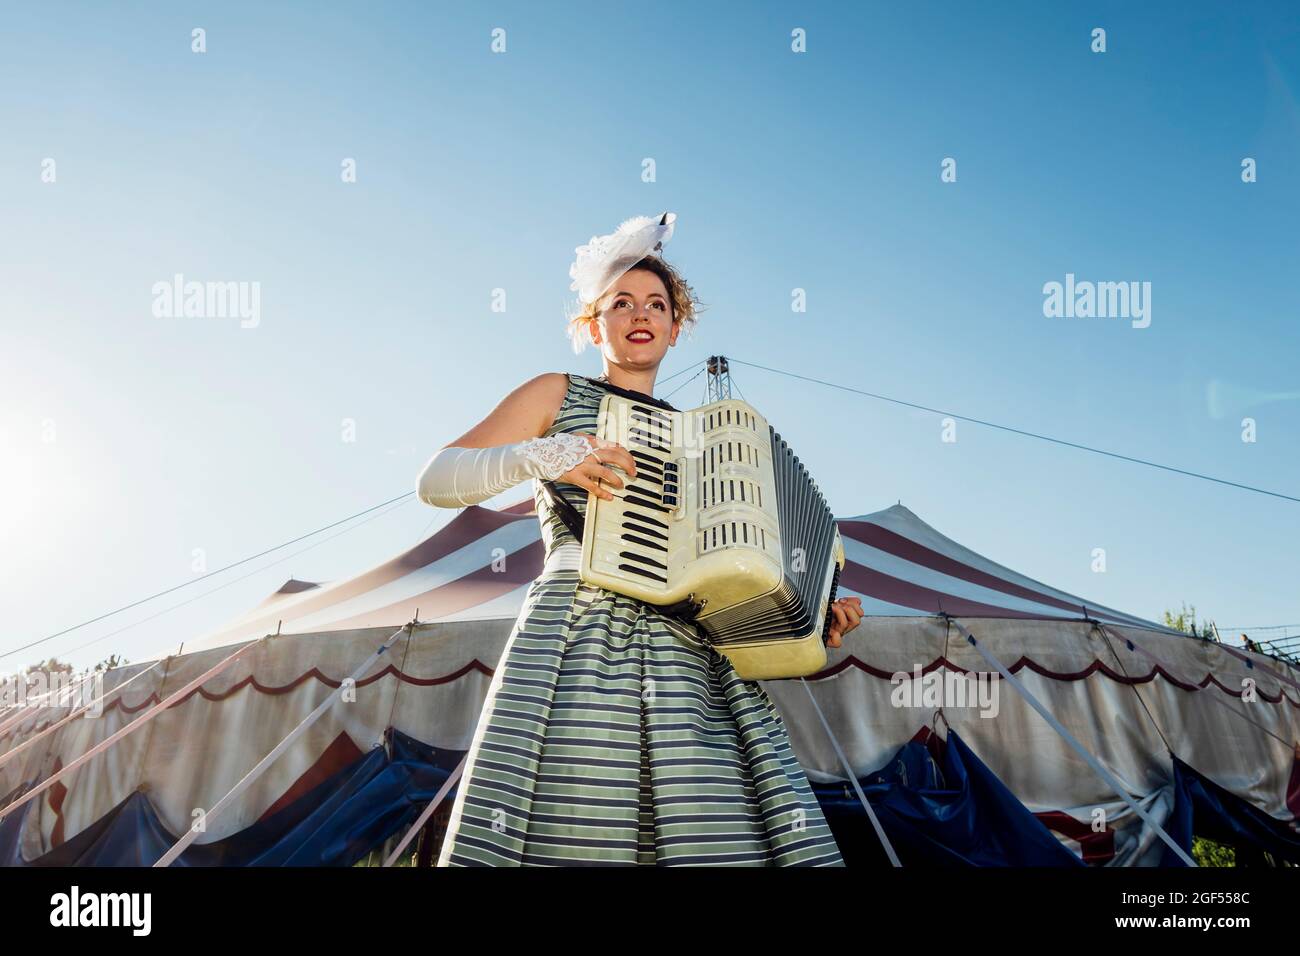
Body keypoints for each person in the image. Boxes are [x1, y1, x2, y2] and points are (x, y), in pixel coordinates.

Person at [416, 213, 863, 866]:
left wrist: (807, 619)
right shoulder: (557, 392)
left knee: (713, 830)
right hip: (578, 637)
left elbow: (730, 578)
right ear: (591, 325)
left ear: (676, 327)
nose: (639, 314)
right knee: (571, 818)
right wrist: (544, 454)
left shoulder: (709, 443)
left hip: (693, 660)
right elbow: (436, 479)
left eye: (656, 304)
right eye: (619, 303)